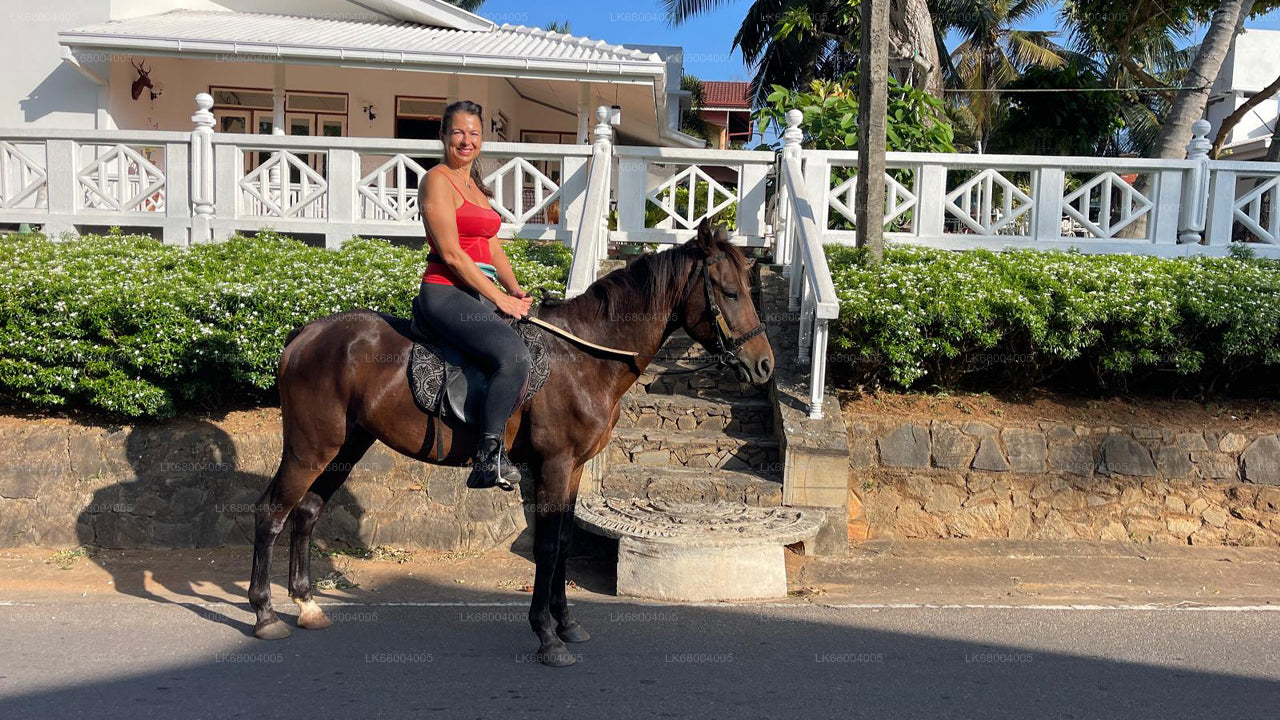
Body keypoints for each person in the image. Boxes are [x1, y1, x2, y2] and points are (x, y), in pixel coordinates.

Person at [410, 100, 534, 491]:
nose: (467, 141)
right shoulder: (436, 181)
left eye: (474, 133)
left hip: (478, 294)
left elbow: (492, 247)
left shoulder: (476, 187)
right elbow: (451, 254)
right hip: (446, 292)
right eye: (459, 132)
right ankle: (487, 458)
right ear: (443, 136)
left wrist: (515, 289)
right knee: (514, 356)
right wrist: (500, 299)